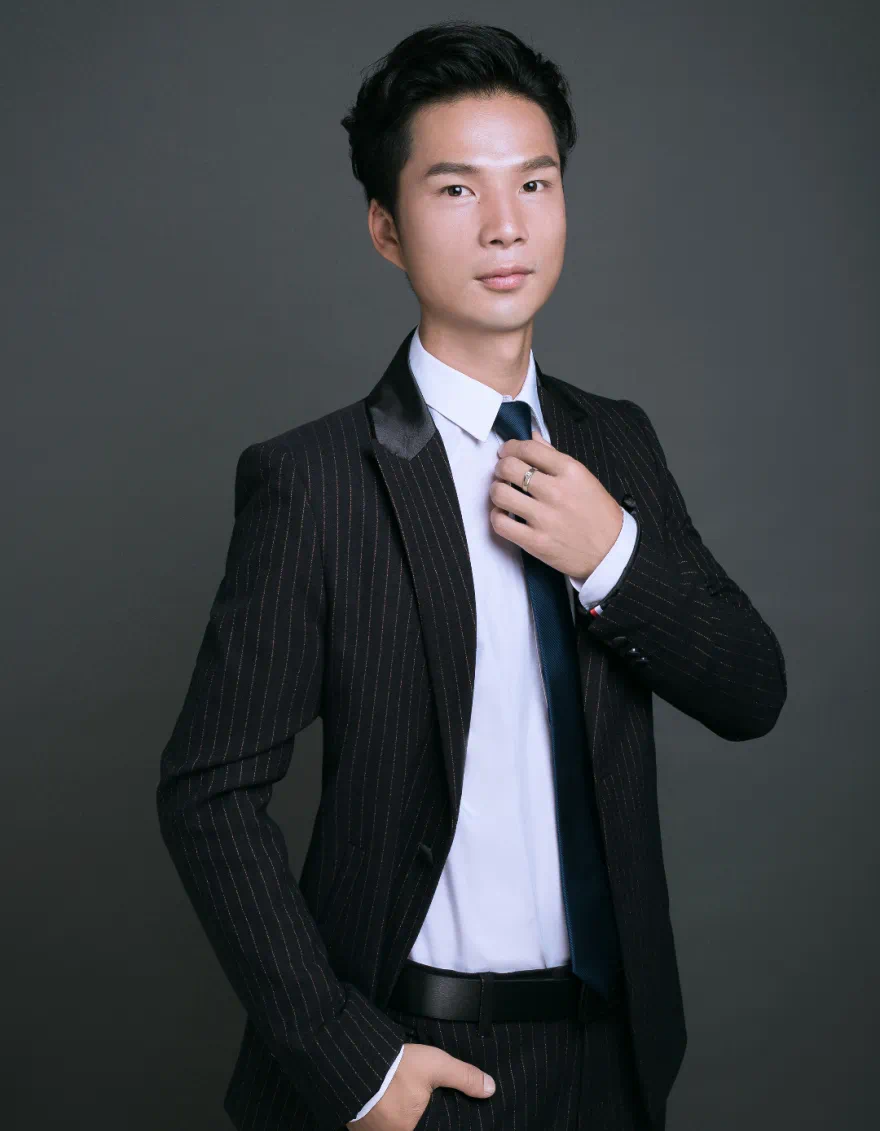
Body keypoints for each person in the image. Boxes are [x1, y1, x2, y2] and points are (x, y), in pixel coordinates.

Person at [156, 19, 787, 1131]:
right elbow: (206, 793)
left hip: (614, 1063)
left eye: (534, 183)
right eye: (456, 190)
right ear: (385, 228)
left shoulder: (618, 442)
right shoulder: (316, 482)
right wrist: (352, 1061)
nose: (506, 225)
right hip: (415, 1057)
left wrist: (612, 554)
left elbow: (751, 690)